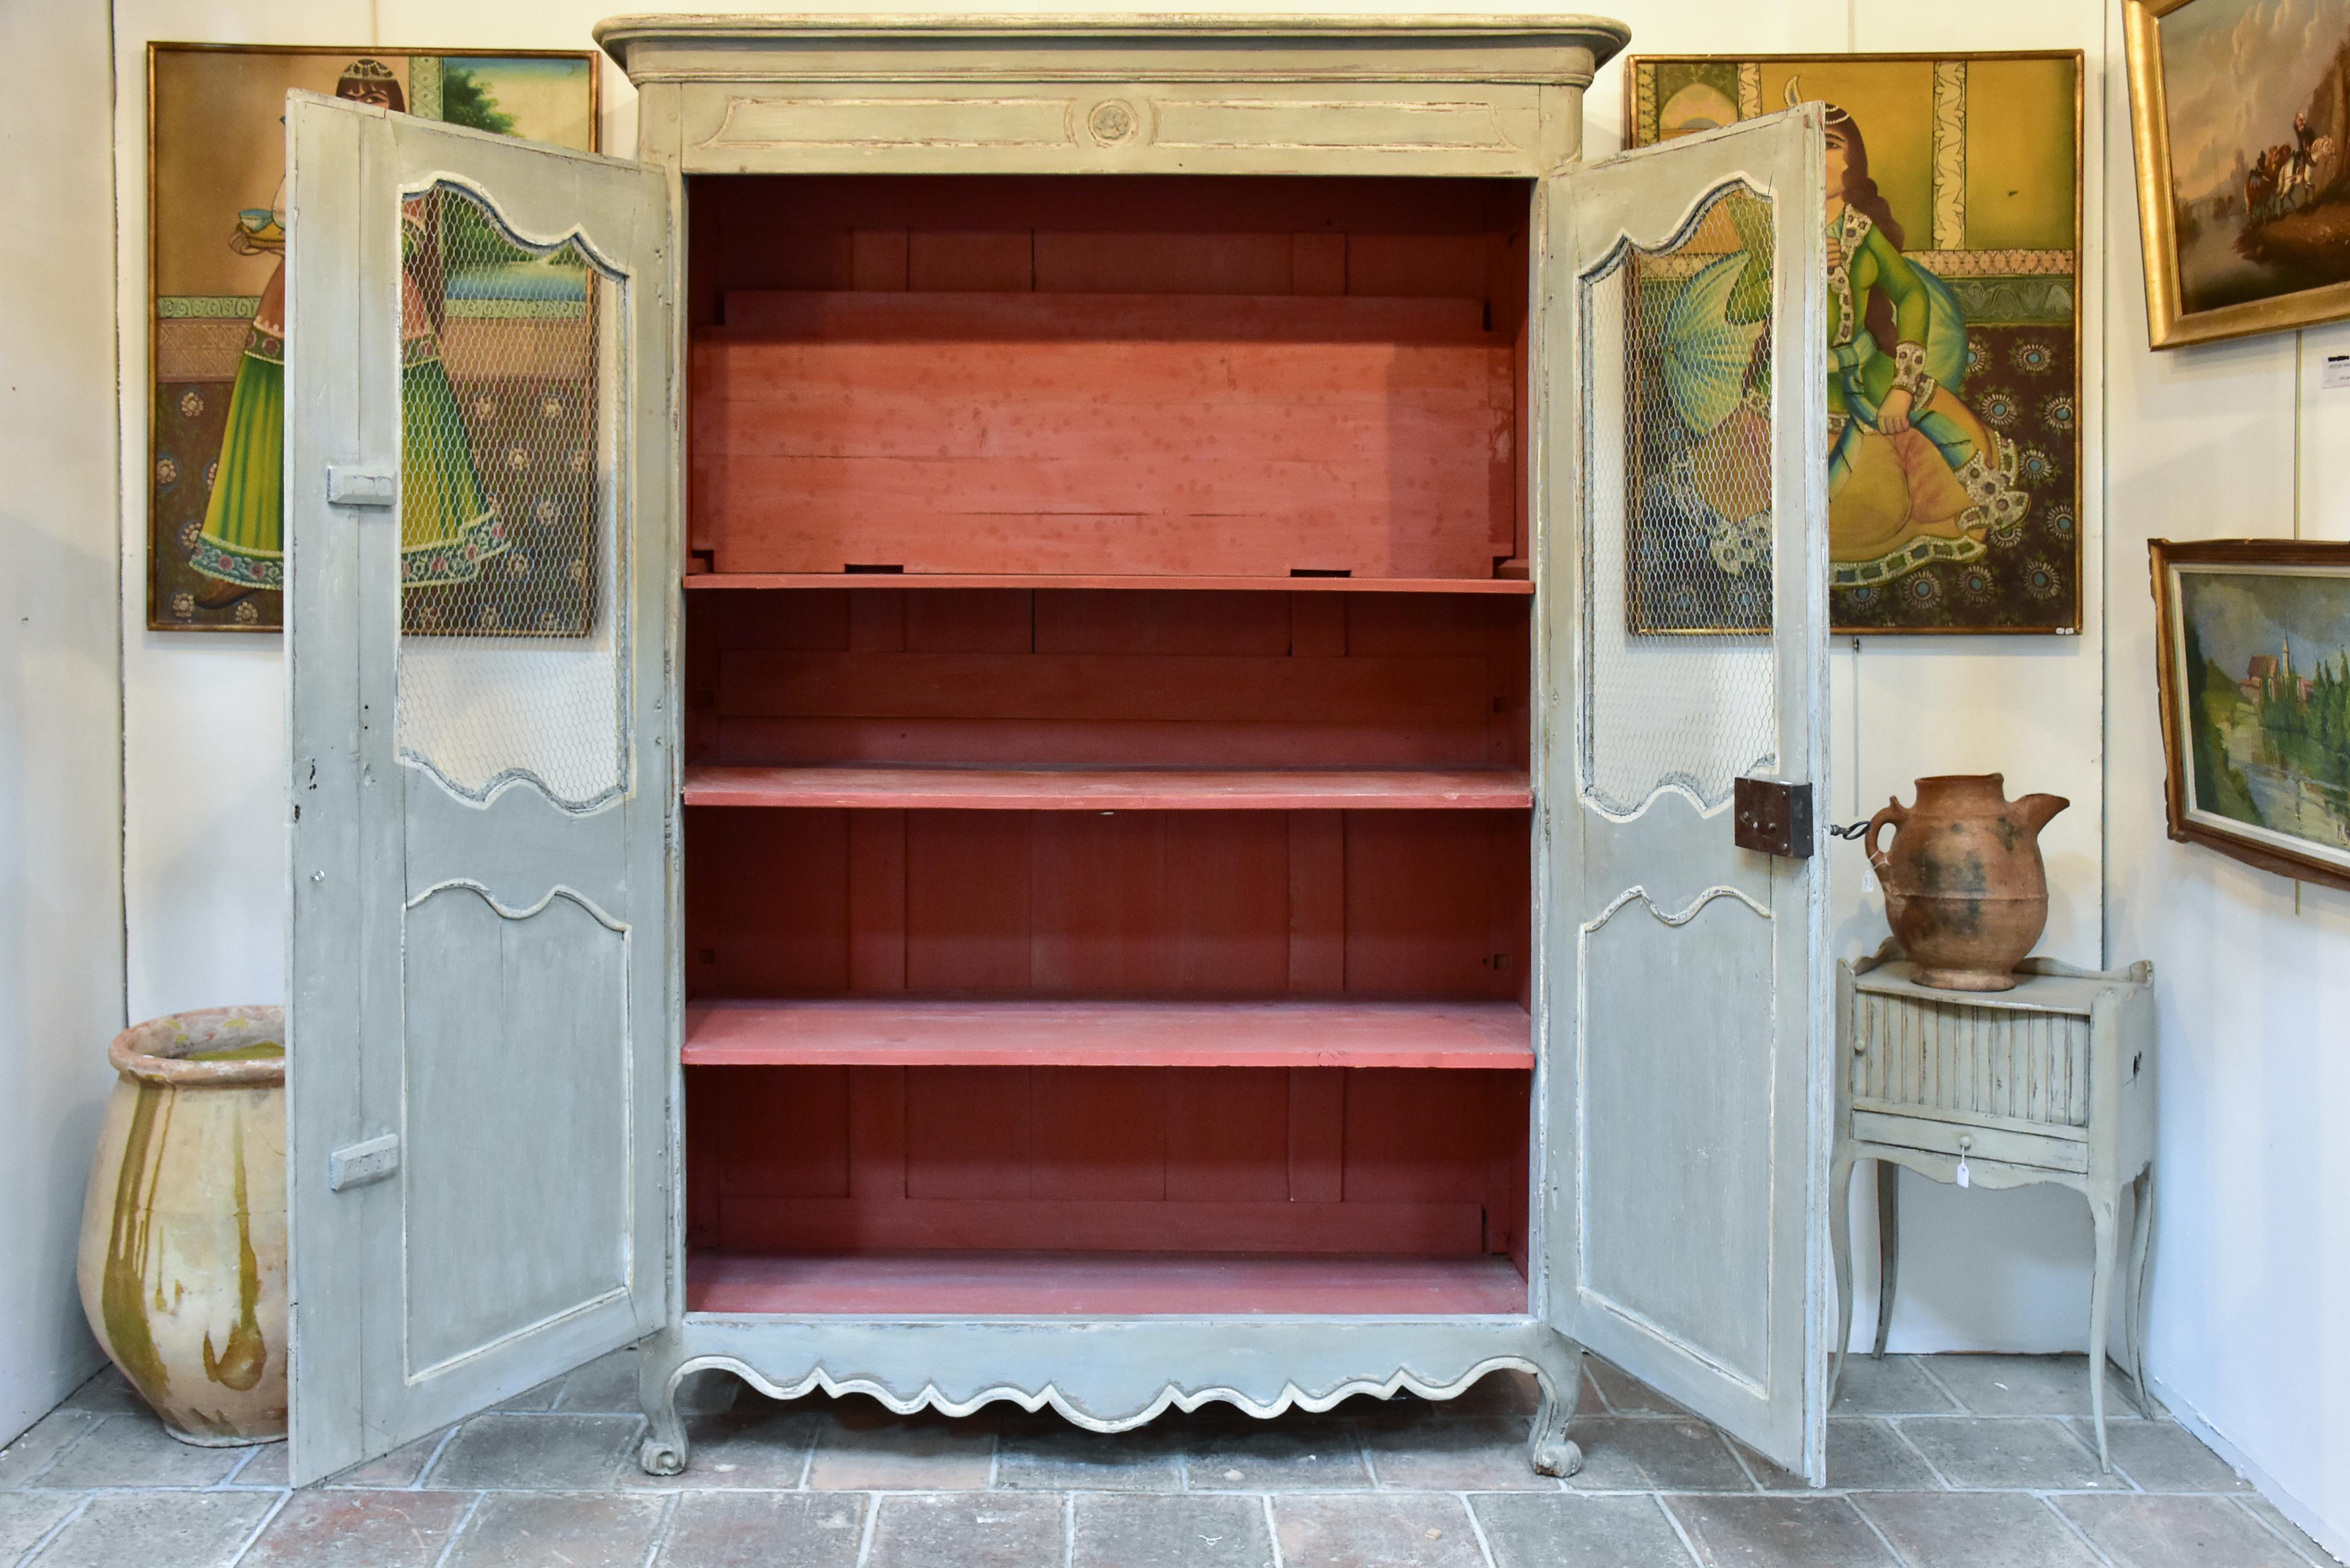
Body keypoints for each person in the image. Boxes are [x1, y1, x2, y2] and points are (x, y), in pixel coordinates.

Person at [190, 58, 504, 610]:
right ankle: (254, 556)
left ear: (394, 112)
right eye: (351, 97)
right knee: (278, 422)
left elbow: (402, 244)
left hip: (382, 307)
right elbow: (285, 216)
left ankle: (411, 559)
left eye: (374, 100)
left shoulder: (409, 167)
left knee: (401, 430)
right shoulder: (315, 156)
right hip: (299, 302)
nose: (362, 106)